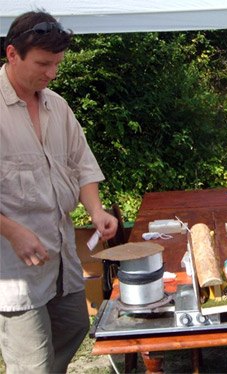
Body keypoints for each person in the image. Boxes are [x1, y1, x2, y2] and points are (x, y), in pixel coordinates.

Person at [0, 11, 118, 373]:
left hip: (62, 257)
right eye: (43, 63)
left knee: (75, 326)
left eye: (57, 64)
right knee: (33, 364)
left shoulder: (57, 106)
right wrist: (12, 231)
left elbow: (82, 164)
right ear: (12, 54)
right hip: (13, 269)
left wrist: (96, 210)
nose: (51, 73)